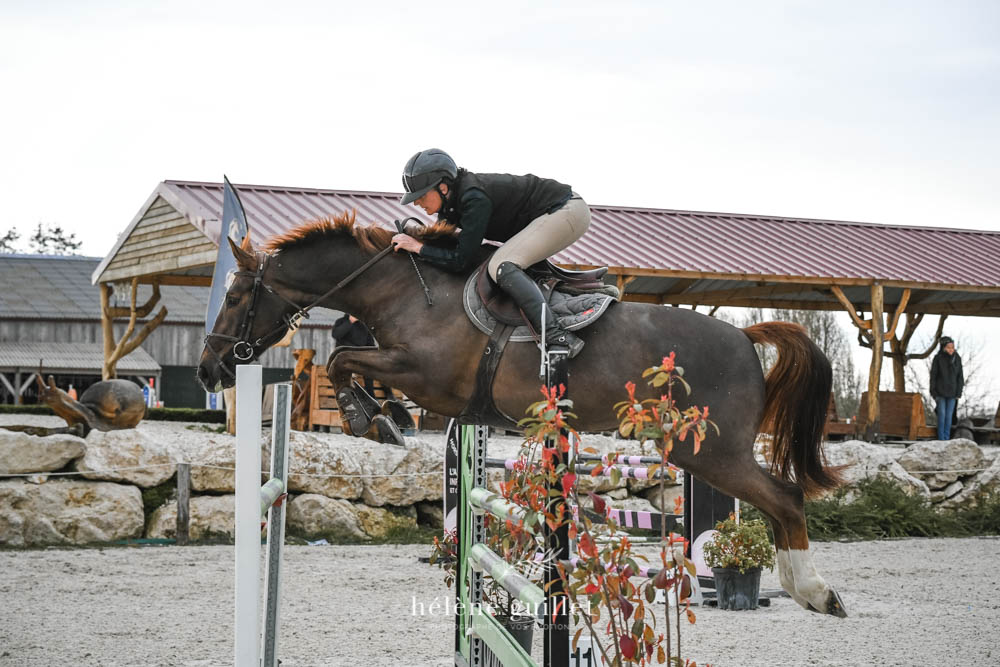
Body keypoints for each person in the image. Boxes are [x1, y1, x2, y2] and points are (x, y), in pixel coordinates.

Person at [391, 148, 591, 358]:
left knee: (501, 265)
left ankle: (557, 337)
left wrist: (417, 247)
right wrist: (414, 241)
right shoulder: (451, 204)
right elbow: (443, 247)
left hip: (565, 210)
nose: (416, 202)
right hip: (554, 212)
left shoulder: (474, 197)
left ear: (442, 187)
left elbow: (460, 261)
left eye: (421, 196)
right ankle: (586, 295)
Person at [331, 314, 379, 397]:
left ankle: (371, 397)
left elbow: (370, 344)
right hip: (344, 356)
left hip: (360, 357)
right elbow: (336, 335)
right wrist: (350, 322)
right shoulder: (341, 321)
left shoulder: (363, 325)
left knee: (371, 370)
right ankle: (347, 396)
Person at [929, 336, 964, 441]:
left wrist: (959, 392)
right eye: (949, 347)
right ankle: (941, 439)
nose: (951, 349)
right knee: (942, 416)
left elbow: (960, 377)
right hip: (940, 393)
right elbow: (933, 376)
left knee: (949, 417)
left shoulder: (957, 358)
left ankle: (947, 438)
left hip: (953, 393)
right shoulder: (938, 358)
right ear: (943, 347)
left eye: (952, 347)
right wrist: (933, 392)